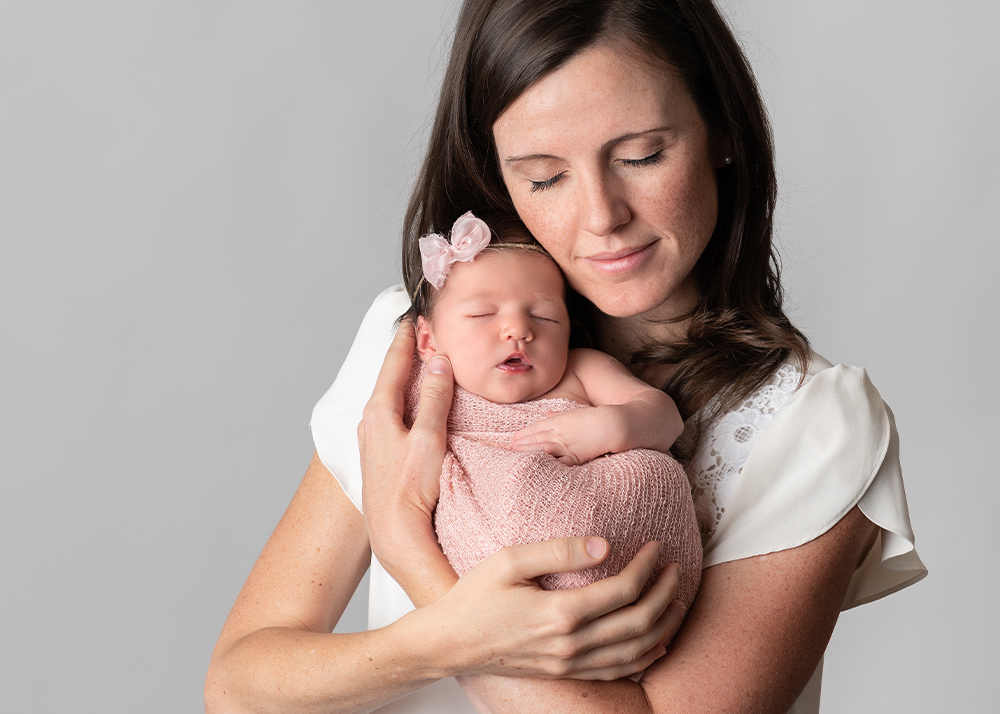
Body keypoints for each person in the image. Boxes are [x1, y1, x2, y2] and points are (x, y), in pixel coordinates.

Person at [205, 2, 927, 713]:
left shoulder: (816, 428)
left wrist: (412, 551)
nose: (602, 216)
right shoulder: (429, 345)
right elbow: (238, 688)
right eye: (545, 175)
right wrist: (439, 639)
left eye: (642, 155)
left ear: (722, 131)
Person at [404, 210, 701, 615]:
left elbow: (666, 417)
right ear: (427, 339)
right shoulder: (421, 392)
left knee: (656, 475)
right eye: (482, 315)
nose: (518, 330)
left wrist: (609, 425)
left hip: (608, 531)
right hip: (495, 583)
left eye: (544, 316)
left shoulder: (580, 370)